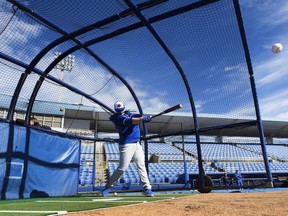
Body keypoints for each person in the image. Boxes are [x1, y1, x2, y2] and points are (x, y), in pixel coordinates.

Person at [102, 101, 154, 197]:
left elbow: (136, 115)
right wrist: (142, 119)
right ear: (116, 111)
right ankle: (108, 185)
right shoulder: (117, 118)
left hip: (137, 144)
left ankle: (147, 188)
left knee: (141, 165)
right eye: (119, 111)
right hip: (126, 145)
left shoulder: (128, 114)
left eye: (121, 110)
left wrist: (145, 117)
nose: (121, 112)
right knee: (122, 168)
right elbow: (131, 121)